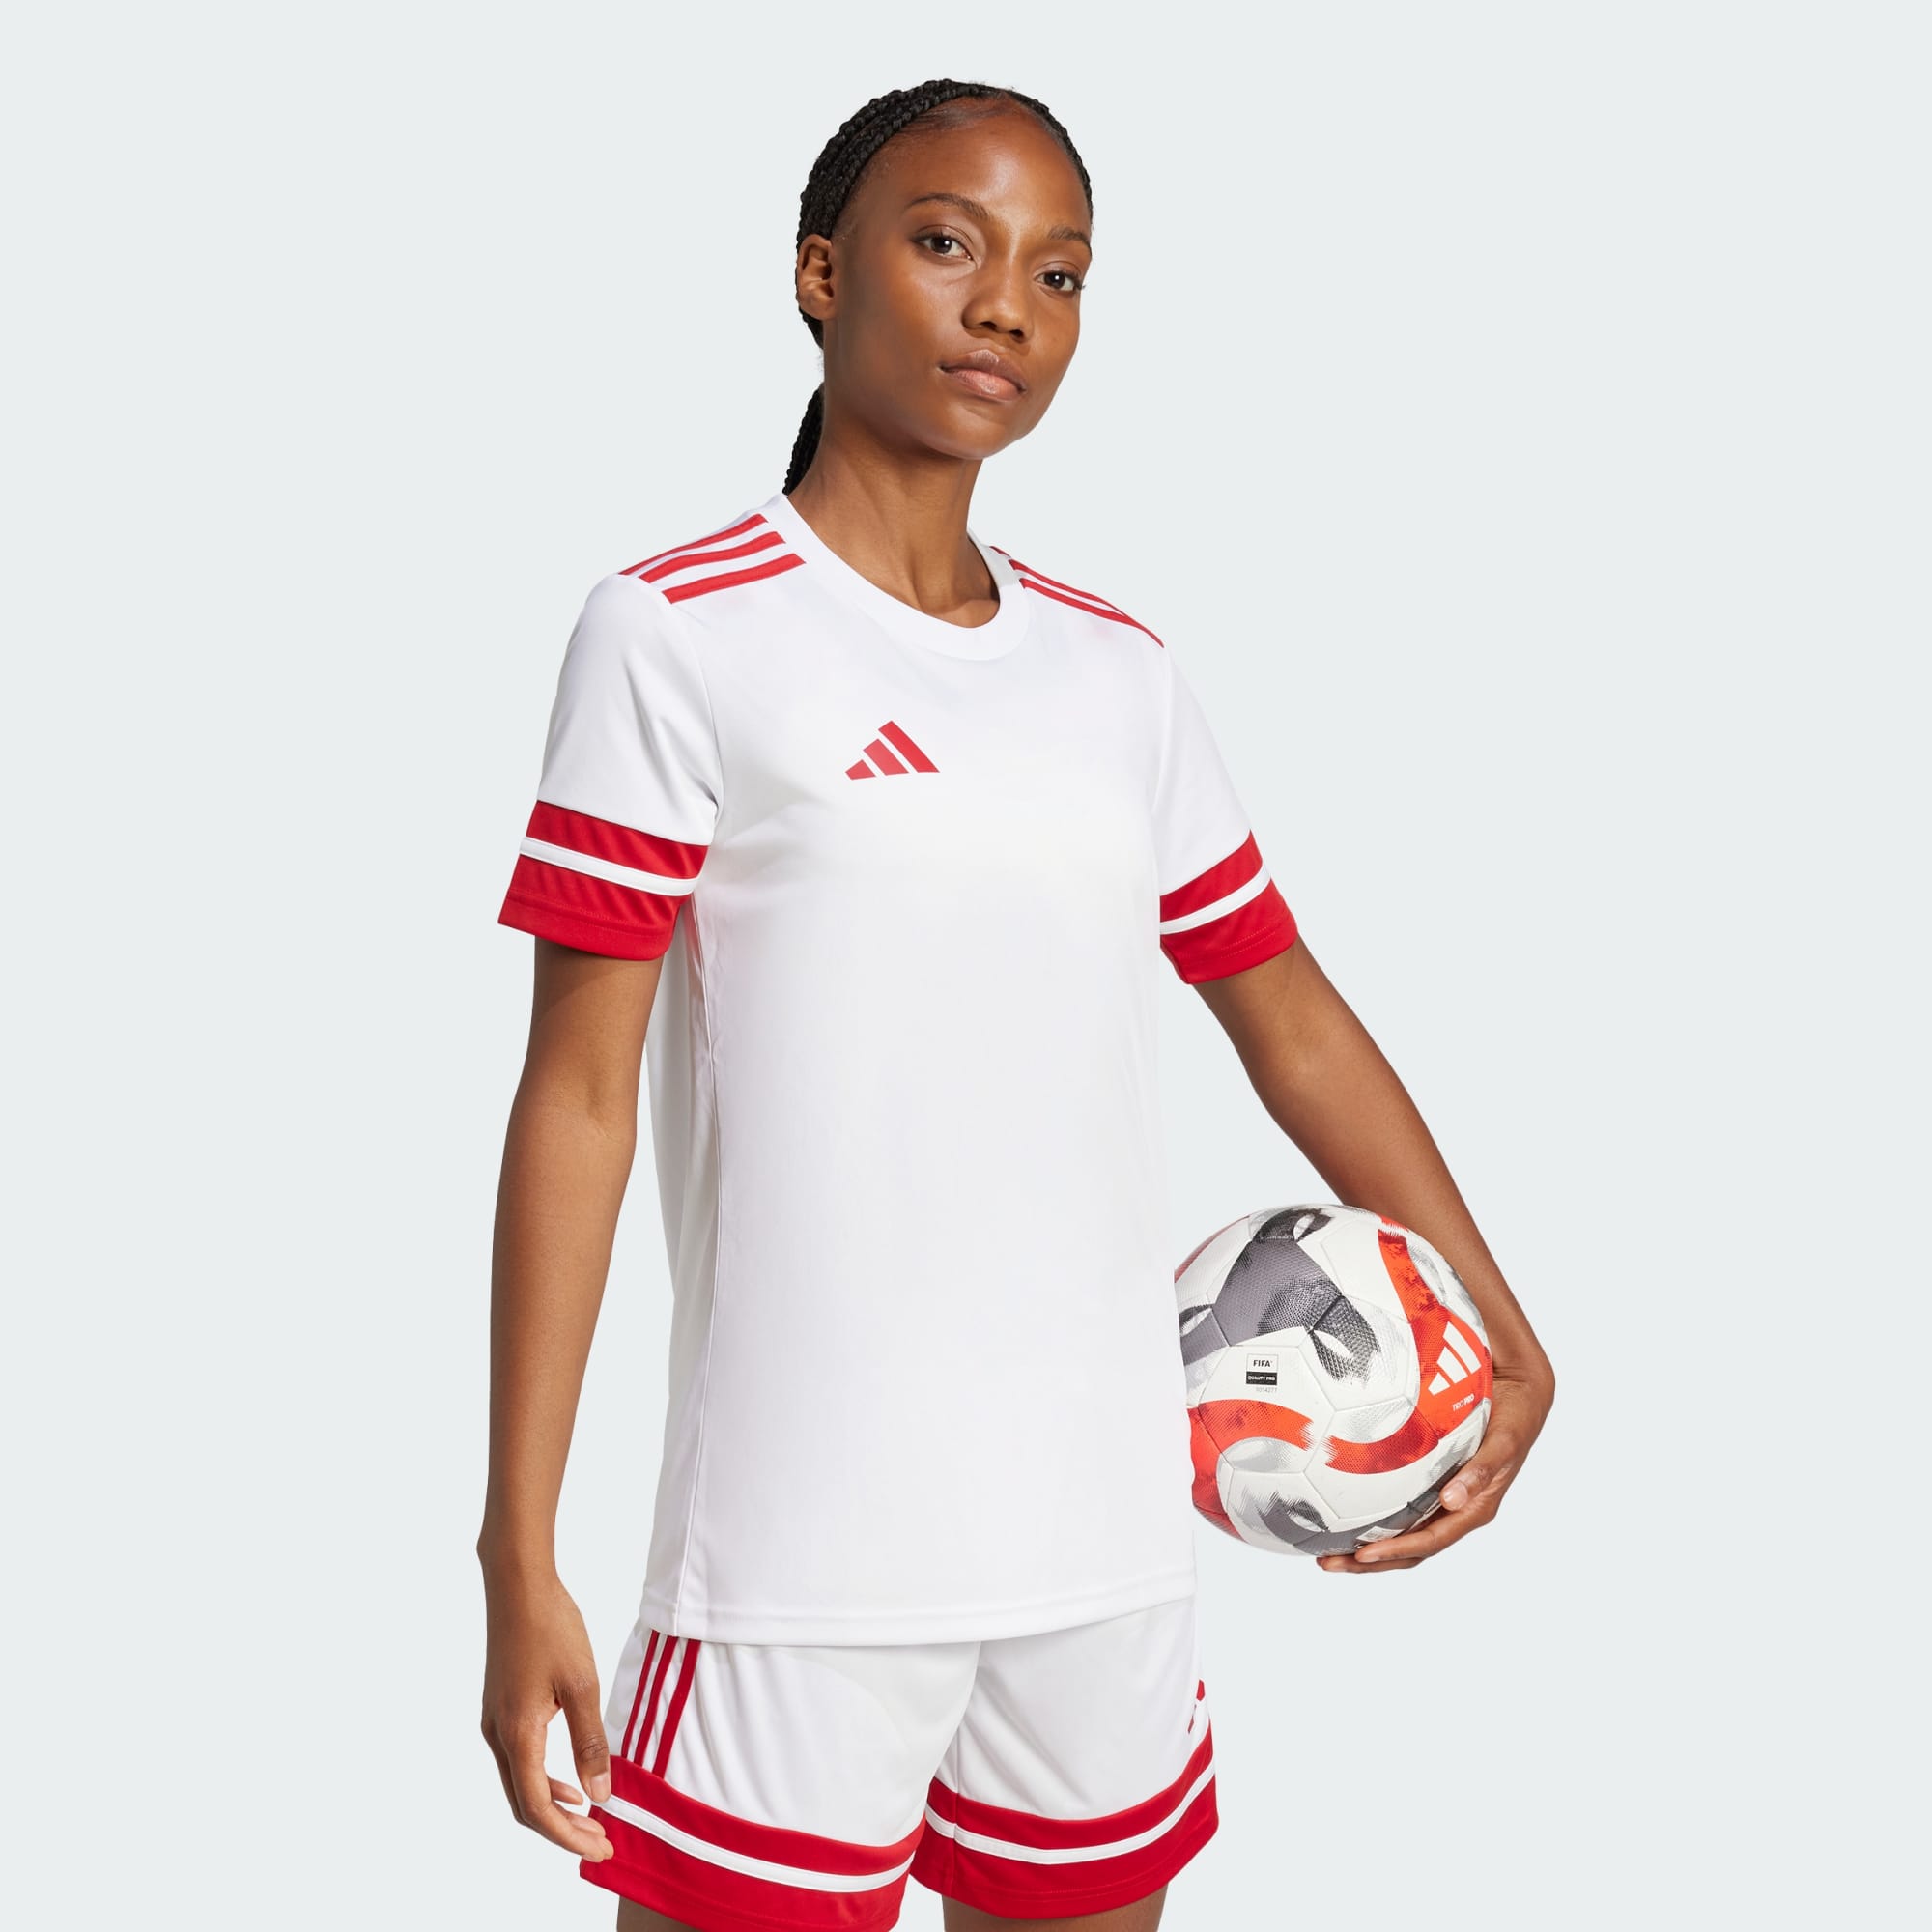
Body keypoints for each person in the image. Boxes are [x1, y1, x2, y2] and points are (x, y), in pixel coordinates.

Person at [479, 77, 1556, 1932]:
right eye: (945, 242)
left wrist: (1502, 1326)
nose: (1006, 307)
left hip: (1108, 1536)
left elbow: (1287, 1014)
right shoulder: (680, 632)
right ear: (821, 275)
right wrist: (519, 1548)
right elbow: (575, 1100)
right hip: (798, 1561)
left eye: (1060, 274)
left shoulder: (1116, 672)